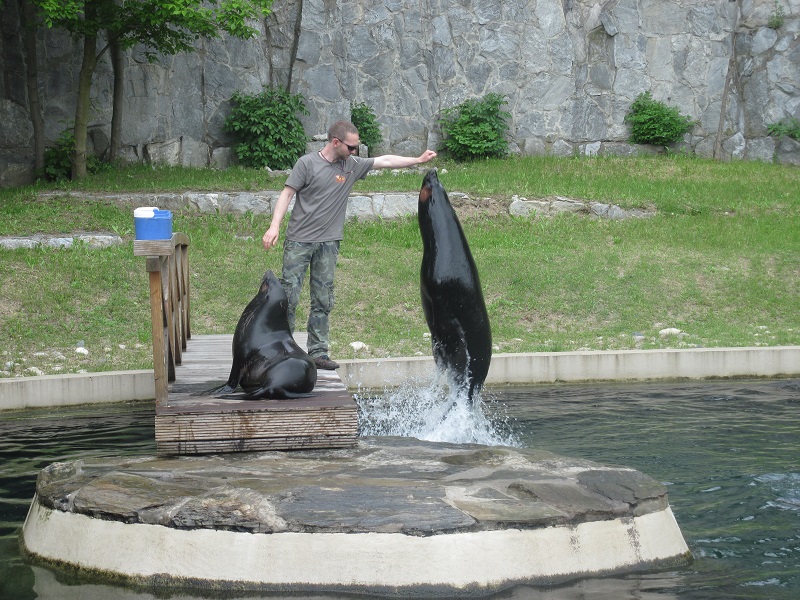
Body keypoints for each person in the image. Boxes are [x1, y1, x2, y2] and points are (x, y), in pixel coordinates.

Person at [262, 120, 437, 370]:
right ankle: (282, 351)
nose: (355, 152)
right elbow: (287, 194)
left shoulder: (351, 165)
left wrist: (418, 160)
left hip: (329, 244)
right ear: (336, 142)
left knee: (323, 299)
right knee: (288, 297)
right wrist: (274, 226)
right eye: (352, 147)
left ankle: (318, 352)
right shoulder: (307, 164)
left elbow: (384, 161)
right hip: (299, 241)